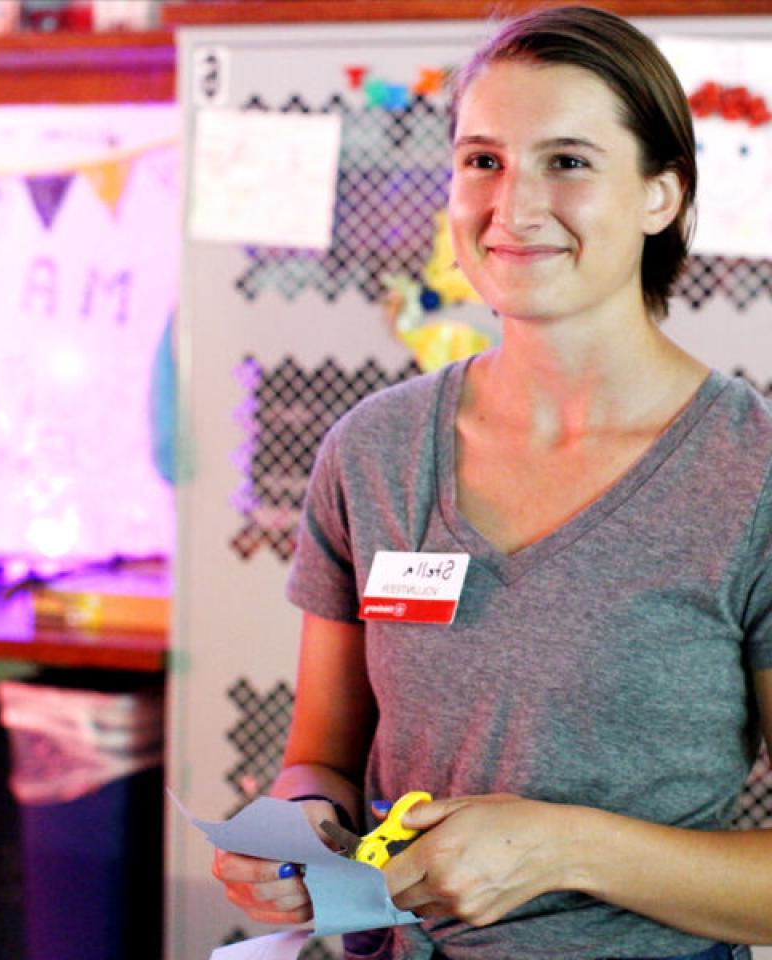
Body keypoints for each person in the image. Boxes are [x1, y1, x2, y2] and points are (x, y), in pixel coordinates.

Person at [211, 6, 772, 958]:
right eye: (483, 161)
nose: (510, 207)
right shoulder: (373, 451)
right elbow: (320, 759)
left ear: (661, 196)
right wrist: (296, 828)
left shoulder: (750, 475)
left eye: (568, 161)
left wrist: (563, 848)